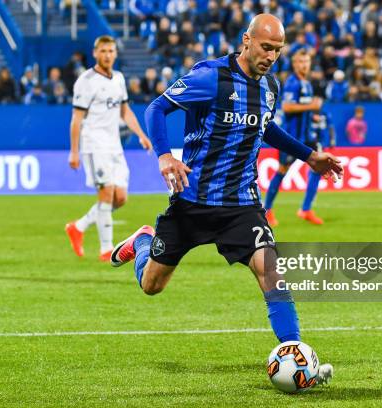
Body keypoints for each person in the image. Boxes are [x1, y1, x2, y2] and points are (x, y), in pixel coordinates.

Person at [110, 14, 341, 383]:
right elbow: (157, 107)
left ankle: (297, 358)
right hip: (193, 201)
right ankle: (141, 242)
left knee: (272, 273)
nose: (271, 56)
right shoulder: (210, 77)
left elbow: (268, 129)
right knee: (152, 285)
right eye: (266, 47)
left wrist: (309, 155)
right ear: (246, 40)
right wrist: (165, 155)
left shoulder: (270, 87)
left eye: (278, 50)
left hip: (241, 205)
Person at [65, 36, 153, 261]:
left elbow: (125, 112)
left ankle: (78, 226)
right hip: (94, 145)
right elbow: (76, 118)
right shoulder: (85, 81)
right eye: (103, 51)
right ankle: (106, 249)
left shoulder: (119, 79)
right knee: (106, 194)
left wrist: (142, 135)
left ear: (115, 53)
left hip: (114, 145)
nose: (107, 55)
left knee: (121, 197)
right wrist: (74, 151)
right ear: (95, 53)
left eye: (111, 51)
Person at [263, 48, 324, 227]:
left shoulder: (307, 84)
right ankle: (267, 210)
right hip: (292, 137)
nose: (304, 65)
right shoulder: (292, 83)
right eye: (301, 62)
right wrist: (311, 106)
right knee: (282, 170)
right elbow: (288, 107)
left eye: (306, 62)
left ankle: (305, 209)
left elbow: (302, 107)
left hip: (307, 135)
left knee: (318, 167)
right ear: (295, 64)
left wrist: (313, 115)